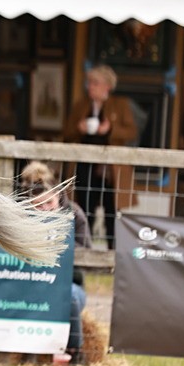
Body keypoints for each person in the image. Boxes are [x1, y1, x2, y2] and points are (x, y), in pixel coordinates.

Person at [21, 161, 92, 366]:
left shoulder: (75, 214)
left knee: (70, 296)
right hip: (30, 282)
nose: (45, 210)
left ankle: (75, 352)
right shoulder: (21, 217)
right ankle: (29, 353)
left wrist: (56, 249)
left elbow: (87, 254)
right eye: (38, 205)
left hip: (70, 282)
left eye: (49, 203)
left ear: (58, 195)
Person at [61, 65, 138, 248]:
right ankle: (84, 249)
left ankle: (113, 254)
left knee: (111, 212)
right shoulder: (81, 105)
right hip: (85, 166)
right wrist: (78, 128)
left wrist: (110, 129)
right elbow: (66, 133)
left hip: (110, 169)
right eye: (89, 83)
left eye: (95, 83)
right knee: (85, 208)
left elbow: (131, 132)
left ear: (107, 86)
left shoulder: (120, 105)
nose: (90, 87)